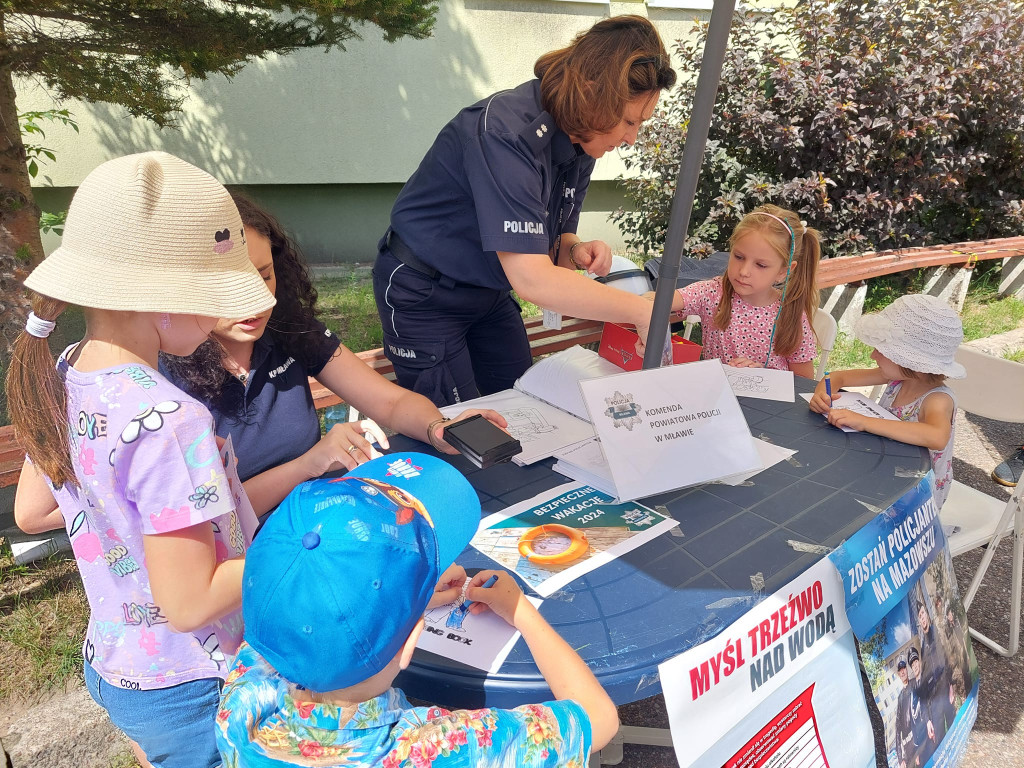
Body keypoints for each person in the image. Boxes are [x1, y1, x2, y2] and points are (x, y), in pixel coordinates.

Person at [6, 152, 277, 767]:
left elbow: (32, 510)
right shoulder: (169, 421)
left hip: (119, 666)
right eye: (210, 295)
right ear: (159, 294)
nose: (217, 318)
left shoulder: (65, 369)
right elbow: (190, 602)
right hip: (197, 686)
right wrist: (292, 548)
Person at [216, 452, 620, 766]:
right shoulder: (438, 750)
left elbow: (303, 615)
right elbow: (597, 719)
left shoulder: (242, 699)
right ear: (411, 641)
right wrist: (521, 613)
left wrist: (407, 598)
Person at [373, 15, 677, 406]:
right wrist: (641, 311)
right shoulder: (503, 132)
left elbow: (555, 248)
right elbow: (534, 281)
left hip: (489, 289)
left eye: (641, 124)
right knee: (461, 430)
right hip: (426, 293)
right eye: (628, 121)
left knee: (525, 404)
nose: (631, 138)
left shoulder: (582, 138)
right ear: (593, 94)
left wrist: (574, 251)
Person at [161, 194, 505, 516]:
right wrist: (308, 464)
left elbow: (390, 403)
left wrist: (436, 429)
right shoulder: (161, 374)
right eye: (229, 284)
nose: (255, 299)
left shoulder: (288, 329)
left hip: (319, 520)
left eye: (265, 276)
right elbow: (207, 516)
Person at [808, 294, 965, 508]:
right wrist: (823, 394)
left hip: (915, 493)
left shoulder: (937, 399)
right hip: (883, 464)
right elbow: (837, 377)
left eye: (881, 351)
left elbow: (937, 436)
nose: (873, 355)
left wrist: (863, 421)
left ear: (910, 361)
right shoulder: (897, 377)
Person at [665, 205, 822, 377]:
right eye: (739, 257)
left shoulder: (791, 315)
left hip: (770, 403)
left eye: (760, 265)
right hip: (719, 399)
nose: (744, 271)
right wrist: (647, 302)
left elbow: (804, 382)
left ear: (783, 271)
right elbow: (660, 302)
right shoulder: (711, 292)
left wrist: (762, 377)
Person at [916, 599, 957, 741]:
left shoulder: (937, 634)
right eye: (919, 617)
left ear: (927, 614)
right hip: (934, 702)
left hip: (945, 690)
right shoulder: (922, 650)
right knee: (940, 740)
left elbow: (947, 658)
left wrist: (951, 685)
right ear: (919, 622)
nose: (923, 618)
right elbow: (923, 685)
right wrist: (927, 719)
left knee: (953, 727)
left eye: (923, 614)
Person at [894, 656, 914, 768]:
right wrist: (900, 758)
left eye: (904, 669)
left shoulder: (915, 684)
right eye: (900, 670)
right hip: (908, 749)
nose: (902, 672)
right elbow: (897, 730)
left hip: (919, 739)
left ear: (907, 670)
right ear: (898, 674)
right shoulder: (900, 698)